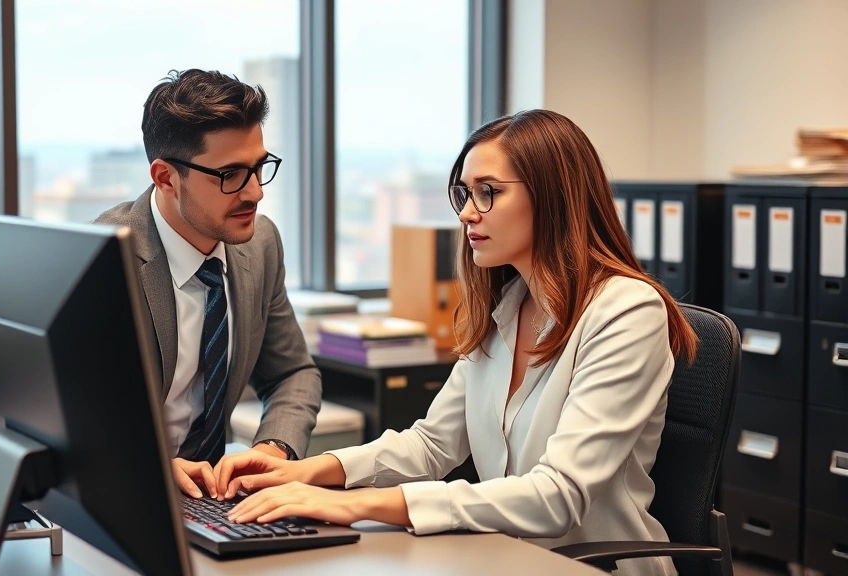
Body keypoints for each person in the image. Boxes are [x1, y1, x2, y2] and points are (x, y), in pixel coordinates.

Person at [211, 109, 697, 576]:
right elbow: (432, 445)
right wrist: (308, 472)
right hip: (501, 557)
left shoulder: (626, 312)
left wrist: (354, 504)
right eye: (464, 193)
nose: (467, 213)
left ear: (553, 198)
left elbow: (559, 496)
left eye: (488, 192)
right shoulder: (506, 306)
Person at [94, 69, 321, 499]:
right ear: (165, 178)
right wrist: (145, 465)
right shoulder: (98, 259)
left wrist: (275, 447)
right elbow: (31, 415)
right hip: (122, 497)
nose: (255, 193)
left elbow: (292, 373)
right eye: (231, 174)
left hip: (214, 502)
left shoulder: (261, 244)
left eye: (259, 168)